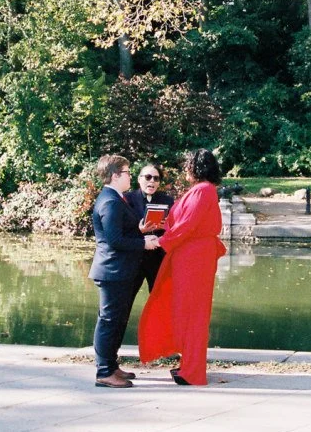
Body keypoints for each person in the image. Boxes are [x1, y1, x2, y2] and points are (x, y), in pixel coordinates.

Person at [137, 148, 227, 386]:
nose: (185, 169)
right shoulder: (201, 191)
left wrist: (160, 241)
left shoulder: (203, 191)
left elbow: (188, 225)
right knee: (186, 312)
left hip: (194, 258)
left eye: (188, 165)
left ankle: (193, 372)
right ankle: (189, 365)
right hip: (191, 256)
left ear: (196, 168)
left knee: (194, 314)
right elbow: (185, 221)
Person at [88, 154, 159, 389]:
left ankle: (111, 364)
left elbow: (121, 232)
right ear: (116, 175)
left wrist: (139, 230)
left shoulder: (117, 198)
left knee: (118, 320)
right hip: (112, 271)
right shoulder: (110, 201)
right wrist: (144, 243)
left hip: (120, 271)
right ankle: (104, 372)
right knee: (109, 321)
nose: (130, 176)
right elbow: (114, 240)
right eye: (128, 172)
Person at [124, 163, 174, 293]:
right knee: (126, 300)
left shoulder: (167, 200)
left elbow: (175, 229)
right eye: (148, 177)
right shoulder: (127, 199)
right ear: (139, 179)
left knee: (159, 299)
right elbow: (122, 231)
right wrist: (139, 230)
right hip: (135, 258)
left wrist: (166, 226)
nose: (152, 180)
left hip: (158, 258)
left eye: (156, 178)